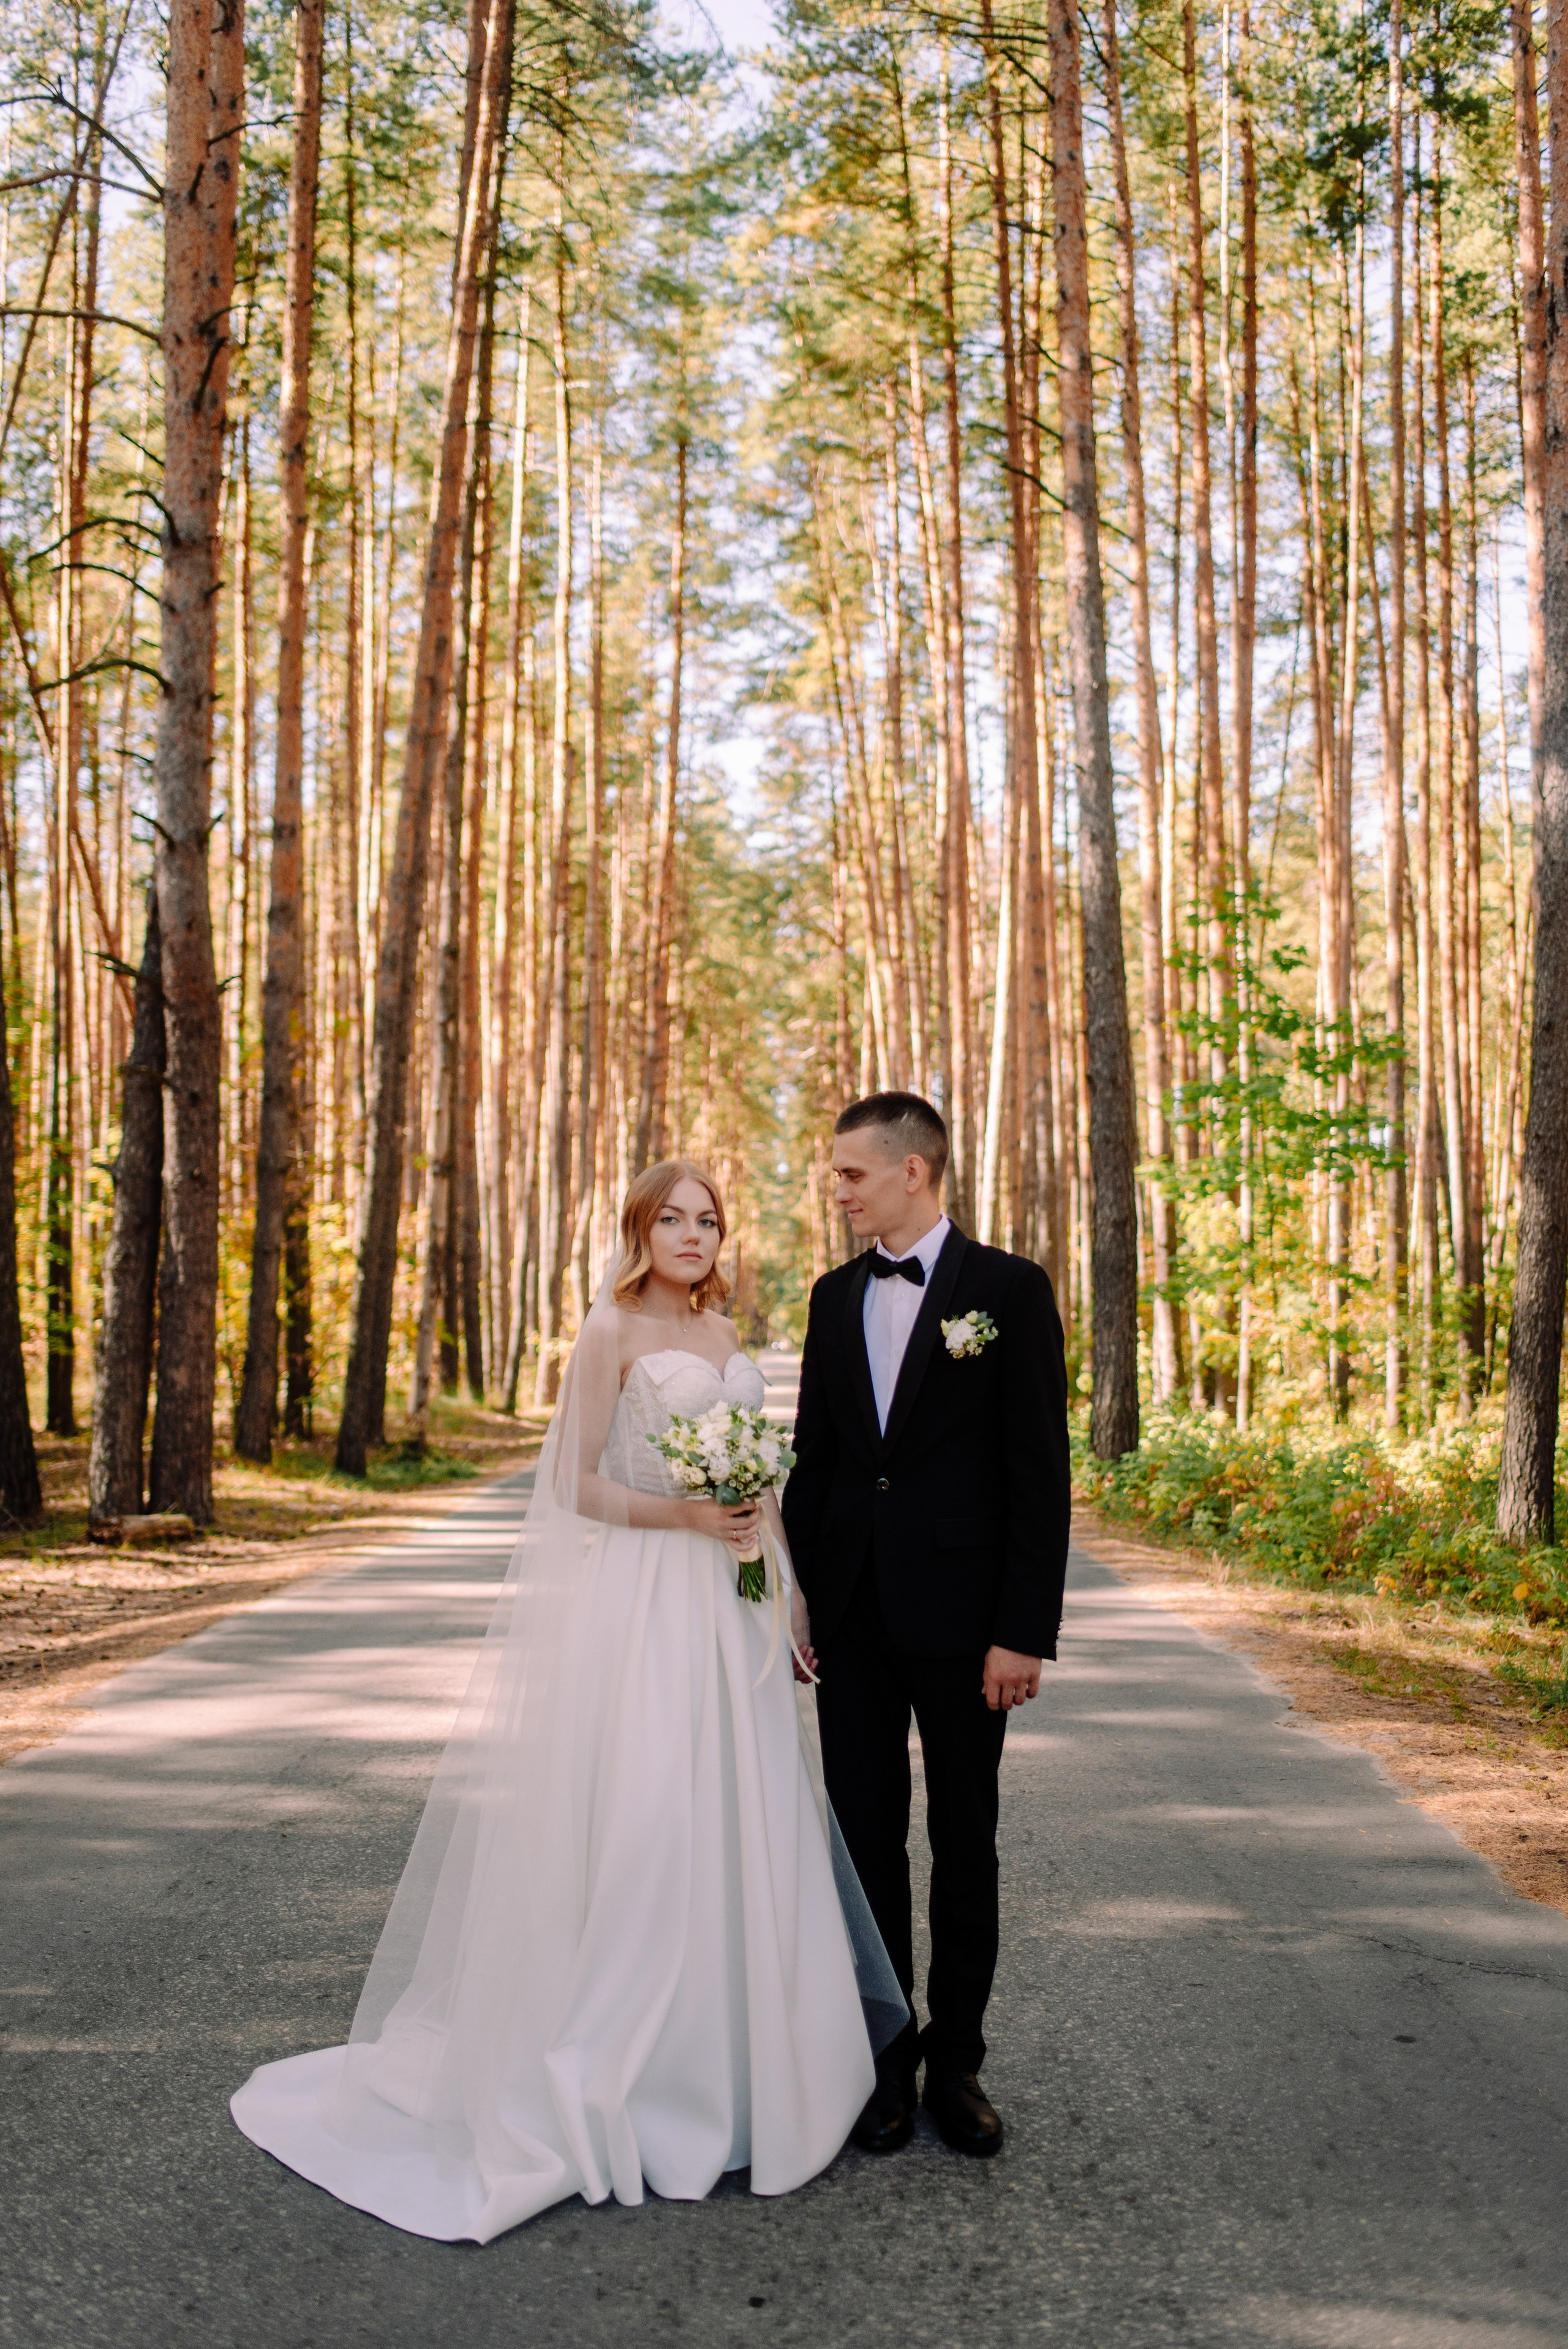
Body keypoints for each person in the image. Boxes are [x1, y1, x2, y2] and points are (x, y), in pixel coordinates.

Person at [232, 1161, 902, 2242]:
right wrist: (688, 1519)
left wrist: (790, 1594)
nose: (694, 1234)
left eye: (709, 1219)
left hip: (734, 1602)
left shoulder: (725, 1334)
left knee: (746, 1817)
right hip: (648, 1602)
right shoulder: (609, 1332)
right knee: (653, 1822)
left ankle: (755, 2072)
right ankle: (641, 2074)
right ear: (641, 1229)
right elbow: (571, 1485)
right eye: (673, 1218)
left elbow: (760, 1481)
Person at [782, 1092, 1071, 2158]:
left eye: (852, 1173)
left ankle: (958, 2064)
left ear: (914, 1170)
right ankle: (884, 2063)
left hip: (966, 1625)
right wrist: (798, 1597)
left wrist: (1022, 1629)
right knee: (864, 1844)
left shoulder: (1008, 1289)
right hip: (852, 1618)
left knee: (964, 1841)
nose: (839, 1191)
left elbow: (1039, 1473)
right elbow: (816, 1460)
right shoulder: (832, 1296)